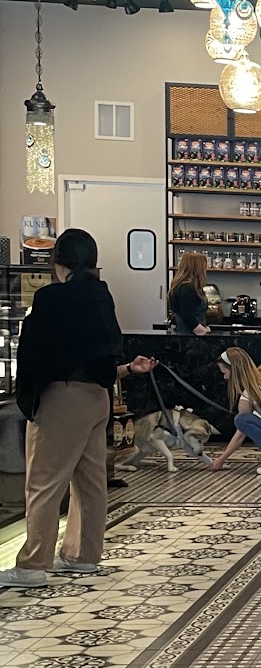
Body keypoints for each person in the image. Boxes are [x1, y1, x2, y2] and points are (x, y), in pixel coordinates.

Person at [0, 228, 155, 589]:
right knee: (90, 481)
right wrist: (124, 370)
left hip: (62, 398)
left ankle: (32, 564)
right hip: (98, 397)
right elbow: (106, 350)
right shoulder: (101, 295)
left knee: (44, 481)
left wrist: (29, 396)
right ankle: (83, 555)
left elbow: (34, 353)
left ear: (59, 262)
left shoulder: (50, 298)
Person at [167, 250, 211, 335]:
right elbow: (187, 315)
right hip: (187, 335)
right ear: (198, 268)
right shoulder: (186, 288)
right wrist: (202, 331)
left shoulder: (189, 286)